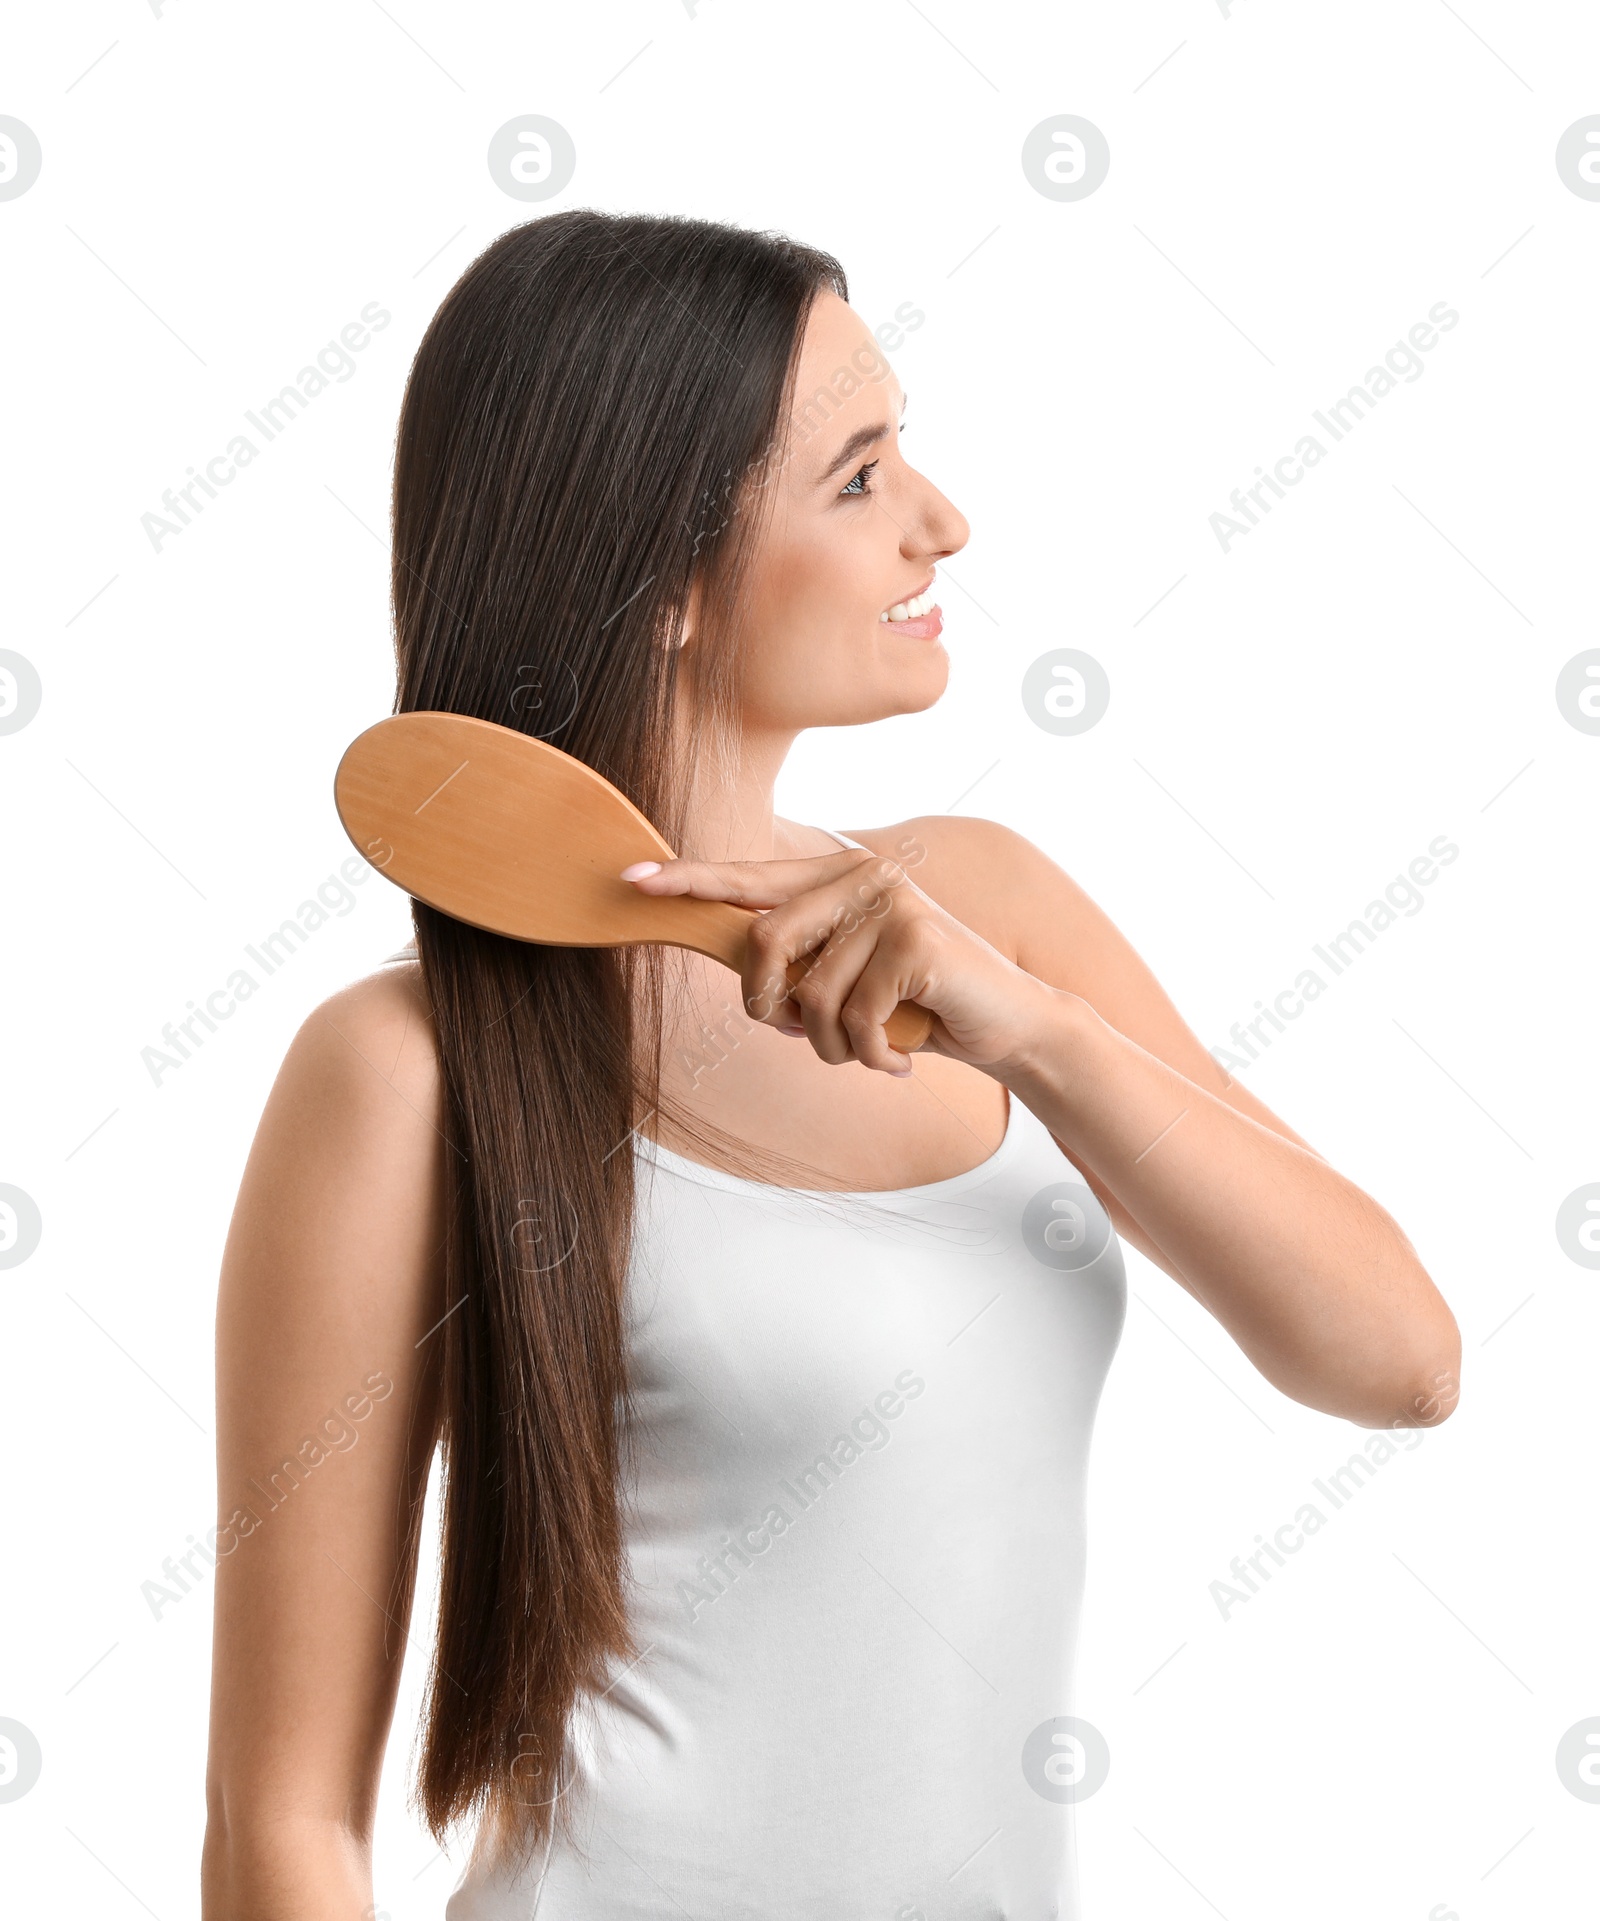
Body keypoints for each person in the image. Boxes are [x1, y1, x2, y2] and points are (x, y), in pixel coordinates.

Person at [201, 211, 1460, 1918]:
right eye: (860, 478)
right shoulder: (400, 1073)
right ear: (664, 580)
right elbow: (286, 1826)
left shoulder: (996, 911)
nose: (943, 524)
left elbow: (1397, 1359)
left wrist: (1028, 1025)